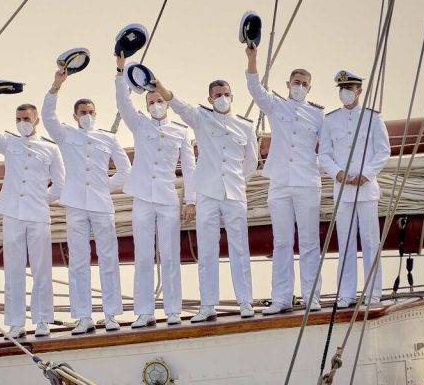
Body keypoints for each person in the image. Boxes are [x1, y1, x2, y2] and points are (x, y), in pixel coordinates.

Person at [42, 67, 131, 334]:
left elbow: (125, 170)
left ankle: (112, 314)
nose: (88, 116)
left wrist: (105, 187)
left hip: (102, 204)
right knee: (79, 261)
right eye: (83, 113)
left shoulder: (108, 138)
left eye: (91, 112)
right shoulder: (66, 134)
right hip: (76, 204)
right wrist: (56, 85)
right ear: (75, 116)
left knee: (108, 258)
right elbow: (47, 116)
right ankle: (83, 317)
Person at [165, 78, 258, 322]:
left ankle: (245, 301)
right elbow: (179, 106)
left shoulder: (245, 126)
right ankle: (207, 305)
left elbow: (251, 161)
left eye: (226, 94)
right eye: (217, 95)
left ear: (232, 96)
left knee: (240, 247)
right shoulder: (201, 118)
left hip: (234, 193)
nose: (222, 98)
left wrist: (237, 179)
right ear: (210, 99)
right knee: (207, 249)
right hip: (207, 192)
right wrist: (161, 87)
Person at [114, 54, 196, 328]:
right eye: (151, 102)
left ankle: (173, 310)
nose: (156, 105)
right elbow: (123, 104)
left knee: (170, 255)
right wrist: (120, 70)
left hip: (167, 199)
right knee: (144, 255)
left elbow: (190, 167)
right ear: (147, 107)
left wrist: (190, 200)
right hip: (142, 198)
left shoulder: (181, 132)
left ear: (166, 104)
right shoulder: (140, 125)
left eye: (160, 101)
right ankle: (144, 311)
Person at [0, 94, 65, 339]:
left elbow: (59, 183)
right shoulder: (10, 143)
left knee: (41, 269)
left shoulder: (51, 149)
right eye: (18, 119)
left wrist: (39, 199)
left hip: (37, 215)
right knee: (13, 270)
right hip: (12, 213)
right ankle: (16, 323)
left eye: (26, 118)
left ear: (36, 120)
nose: (22, 122)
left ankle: (43, 320)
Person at [245, 45, 324, 315]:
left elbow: (327, 149)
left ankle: (312, 297)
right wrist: (253, 58)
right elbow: (255, 89)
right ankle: (281, 299)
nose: (299, 87)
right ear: (288, 84)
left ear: (309, 88)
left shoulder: (318, 115)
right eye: (296, 82)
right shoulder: (276, 105)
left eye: (304, 84)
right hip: (279, 182)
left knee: (310, 242)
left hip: (306, 183)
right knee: (281, 242)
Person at [319, 70, 390, 308]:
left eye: (349, 89)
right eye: (342, 89)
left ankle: (373, 292)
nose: (345, 93)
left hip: (366, 189)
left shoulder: (372, 118)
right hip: (343, 190)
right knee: (346, 242)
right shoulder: (330, 120)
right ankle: (346, 294)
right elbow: (324, 154)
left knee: (370, 241)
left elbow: (383, 151)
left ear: (359, 91)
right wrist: (338, 173)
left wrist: (366, 174)